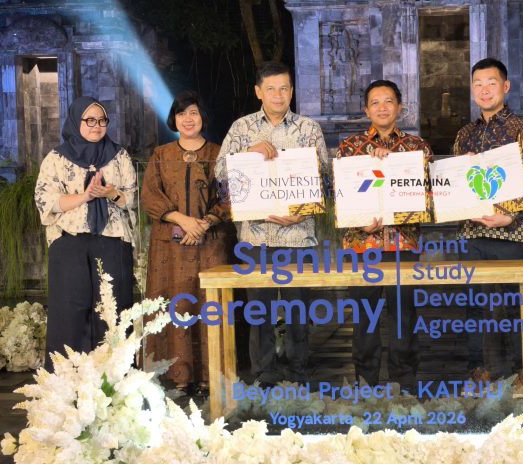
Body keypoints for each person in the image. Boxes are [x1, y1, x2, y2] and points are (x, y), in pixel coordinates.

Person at [215, 61, 327, 385]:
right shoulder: (242, 129)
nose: (278, 95)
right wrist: (248, 154)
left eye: (284, 88)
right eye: (271, 89)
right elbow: (220, 175)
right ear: (258, 92)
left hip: (298, 235)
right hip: (256, 237)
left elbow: (325, 179)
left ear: (292, 91)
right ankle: (264, 375)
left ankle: (300, 372)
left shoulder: (308, 129)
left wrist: (303, 211)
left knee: (298, 312)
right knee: (259, 311)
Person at [336, 80, 433, 392]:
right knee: (365, 316)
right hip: (361, 245)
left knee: (404, 314)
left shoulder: (417, 149)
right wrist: (359, 222)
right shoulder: (349, 148)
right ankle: (366, 382)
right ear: (366, 110)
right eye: (375, 102)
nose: (382, 107)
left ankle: (405, 382)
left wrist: (396, 167)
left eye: (388, 101)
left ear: (399, 108)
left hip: (404, 244)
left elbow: (429, 198)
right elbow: (340, 197)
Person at [452, 58, 523, 382]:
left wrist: (510, 215)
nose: (484, 89)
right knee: (475, 305)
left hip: (511, 234)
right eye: (478, 83)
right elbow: (456, 184)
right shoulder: (464, 135)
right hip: (472, 232)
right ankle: (479, 373)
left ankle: (519, 375)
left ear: (505, 86)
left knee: (513, 304)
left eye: (491, 83)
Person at [35, 96, 137, 372]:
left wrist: (111, 193)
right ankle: (66, 382)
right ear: (75, 121)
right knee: (69, 311)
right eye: (89, 120)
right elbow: (46, 201)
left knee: (113, 309)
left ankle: (115, 381)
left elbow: (133, 199)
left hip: (112, 241)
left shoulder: (119, 155)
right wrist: (86, 196)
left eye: (102, 120)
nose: (96, 126)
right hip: (70, 242)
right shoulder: (56, 158)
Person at [141, 91, 233, 393]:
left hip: (211, 243)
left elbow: (230, 197)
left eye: (194, 112)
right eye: (182, 114)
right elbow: (150, 197)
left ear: (203, 116)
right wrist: (183, 220)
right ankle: (179, 376)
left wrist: (204, 223)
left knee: (211, 305)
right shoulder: (161, 155)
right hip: (170, 247)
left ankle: (211, 376)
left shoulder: (219, 153)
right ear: (174, 119)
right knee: (176, 303)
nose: (188, 119)